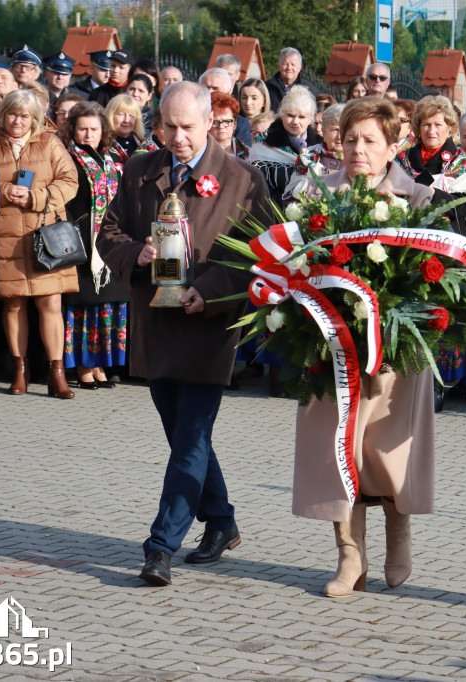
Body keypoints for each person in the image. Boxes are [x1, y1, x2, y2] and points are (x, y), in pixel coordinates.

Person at [95, 82, 271, 586]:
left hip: (208, 326)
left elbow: (257, 254)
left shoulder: (242, 179)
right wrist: (136, 254)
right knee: (184, 437)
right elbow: (108, 234)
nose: (177, 137)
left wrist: (211, 290)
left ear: (211, 120)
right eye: (167, 126)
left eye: (187, 127)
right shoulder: (139, 171)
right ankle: (221, 520)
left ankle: (159, 547)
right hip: (155, 323)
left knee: (191, 438)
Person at [294, 96, 440, 597]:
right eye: (349, 138)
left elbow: (431, 282)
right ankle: (349, 556)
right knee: (339, 451)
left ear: (393, 144)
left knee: (384, 451)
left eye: (369, 140)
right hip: (330, 348)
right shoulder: (315, 194)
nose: (357, 149)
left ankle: (398, 535)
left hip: (393, 354)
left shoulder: (417, 197)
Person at [0, 89, 80, 399]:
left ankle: (56, 371)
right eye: (12, 114)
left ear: (35, 118)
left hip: (45, 235)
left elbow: (69, 181)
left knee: (51, 302)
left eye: (25, 115)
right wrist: (3, 192)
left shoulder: (50, 143)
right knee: (13, 302)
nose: (18, 121)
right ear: (2, 115)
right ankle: (20, 370)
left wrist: (36, 197)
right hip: (5, 237)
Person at [61, 101, 128, 390]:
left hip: (109, 243)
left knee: (107, 303)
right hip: (81, 241)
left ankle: (101, 362)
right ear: (73, 131)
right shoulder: (69, 158)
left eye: (94, 129)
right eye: (82, 129)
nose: (88, 135)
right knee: (84, 305)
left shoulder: (113, 159)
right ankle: (84, 366)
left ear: (103, 131)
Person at [248, 85, 321, 203]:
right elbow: (258, 185)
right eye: (290, 115)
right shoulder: (263, 143)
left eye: (302, 117)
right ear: (282, 115)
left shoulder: (320, 146)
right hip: (273, 214)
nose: (295, 122)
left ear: (310, 120)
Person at [394, 95, 466, 184]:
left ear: (449, 129)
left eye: (438, 125)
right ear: (418, 128)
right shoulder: (403, 158)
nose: (431, 131)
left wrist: (434, 193)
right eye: (426, 125)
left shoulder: (462, 161)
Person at [199, 68, 252, 149]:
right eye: (206, 88)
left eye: (215, 89)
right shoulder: (193, 120)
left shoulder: (241, 125)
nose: (209, 92)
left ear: (228, 92)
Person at [266, 47, 319, 112]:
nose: (289, 68)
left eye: (293, 65)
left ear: (299, 68)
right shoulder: (267, 88)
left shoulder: (310, 90)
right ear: (279, 66)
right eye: (285, 64)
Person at [106, 94, 156, 161]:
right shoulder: (102, 144)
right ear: (111, 115)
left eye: (131, 115)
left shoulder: (143, 145)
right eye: (121, 114)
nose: (126, 120)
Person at [208, 91, 249, 159]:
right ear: (208, 123)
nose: (221, 126)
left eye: (227, 121)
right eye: (215, 122)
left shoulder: (247, 153)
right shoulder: (199, 153)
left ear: (235, 124)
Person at [126, 73, 155, 138]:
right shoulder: (115, 114)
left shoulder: (153, 121)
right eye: (132, 89)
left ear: (149, 96)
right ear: (126, 90)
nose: (135, 94)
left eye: (141, 91)